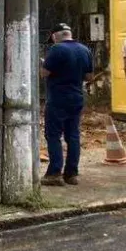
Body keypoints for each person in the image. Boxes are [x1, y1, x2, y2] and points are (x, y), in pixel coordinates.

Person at [40, 23, 94, 186]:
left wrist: (42, 64)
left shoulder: (57, 50)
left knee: (53, 135)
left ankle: (54, 173)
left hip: (58, 98)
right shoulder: (85, 50)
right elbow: (89, 77)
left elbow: (44, 73)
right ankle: (71, 174)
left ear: (55, 36)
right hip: (76, 97)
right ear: (69, 34)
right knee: (73, 135)